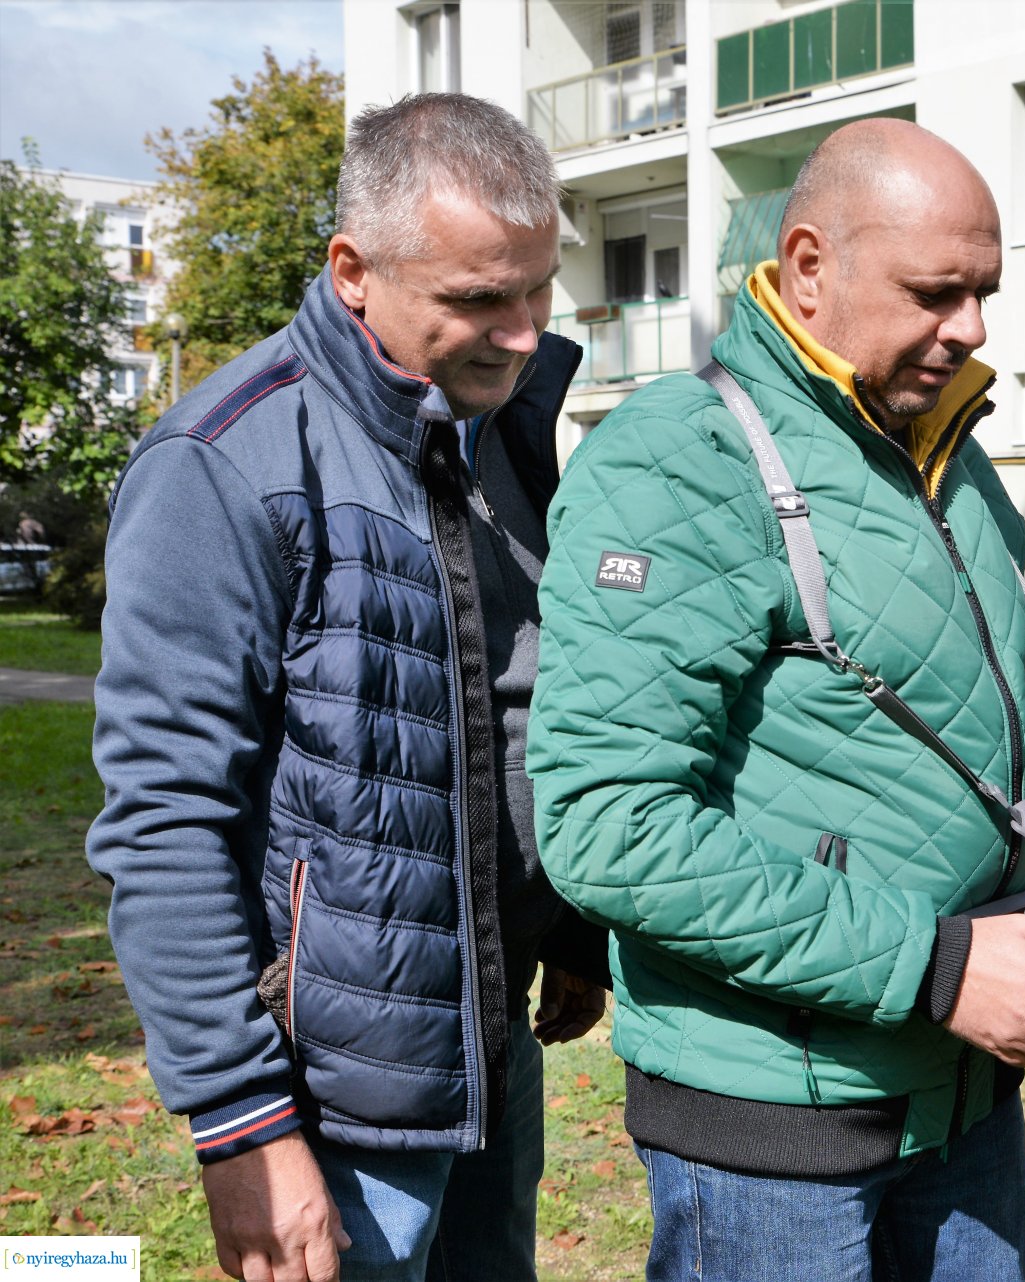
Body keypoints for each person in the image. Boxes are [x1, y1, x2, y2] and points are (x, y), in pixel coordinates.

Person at [527, 118, 1025, 1281]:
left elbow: (1014, 689)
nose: (972, 328)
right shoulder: (681, 458)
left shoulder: (947, 453)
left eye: (983, 293)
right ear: (809, 267)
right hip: (774, 1138)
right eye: (935, 292)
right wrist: (937, 967)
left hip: (961, 1102)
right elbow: (607, 825)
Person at [88, 93, 608, 1282]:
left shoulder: (496, 423)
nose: (523, 332)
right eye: (480, 298)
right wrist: (240, 1121)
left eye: (539, 289)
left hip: (487, 1039)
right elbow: (164, 816)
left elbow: (514, 702)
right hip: (328, 1096)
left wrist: (565, 921)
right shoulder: (221, 462)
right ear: (353, 272)